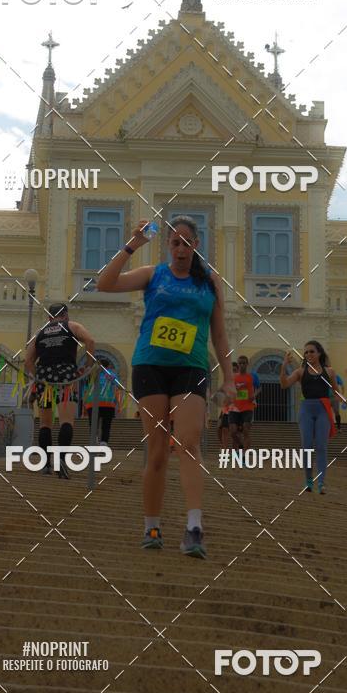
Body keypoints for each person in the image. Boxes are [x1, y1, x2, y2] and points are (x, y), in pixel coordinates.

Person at [97, 215, 235, 559]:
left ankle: (194, 527)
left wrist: (230, 377)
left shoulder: (210, 282)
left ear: (196, 245)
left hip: (191, 368)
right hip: (151, 366)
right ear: (168, 245)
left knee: (188, 443)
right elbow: (105, 284)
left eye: (186, 242)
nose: (180, 248)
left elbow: (219, 334)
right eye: (175, 242)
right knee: (157, 450)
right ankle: (152, 526)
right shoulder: (153, 274)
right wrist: (133, 244)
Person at [25, 303, 94, 477]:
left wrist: (38, 376)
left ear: (49, 317)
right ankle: (61, 461)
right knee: (66, 421)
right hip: (66, 375)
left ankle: (45, 464)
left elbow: (28, 360)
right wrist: (87, 366)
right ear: (66, 315)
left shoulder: (39, 333)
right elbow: (90, 341)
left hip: (44, 377)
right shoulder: (72, 326)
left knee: (45, 423)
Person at [280, 341, 338, 494]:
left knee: (321, 446)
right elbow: (284, 385)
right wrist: (284, 366)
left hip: (323, 409)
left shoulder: (330, 372)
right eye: (306, 352)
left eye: (312, 351)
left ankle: (321, 482)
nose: (308, 354)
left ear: (319, 353)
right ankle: (308, 481)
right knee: (306, 446)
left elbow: (336, 392)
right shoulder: (300, 372)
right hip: (306, 410)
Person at [83, 358, 120, 445]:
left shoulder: (91, 375)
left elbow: (85, 389)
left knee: (93, 424)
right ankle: (104, 442)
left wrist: (84, 403)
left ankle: (94, 439)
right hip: (108, 403)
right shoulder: (112, 374)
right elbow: (118, 386)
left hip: (92, 403)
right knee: (106, 425)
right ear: (108, 366)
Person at [228, 355, 261, 450]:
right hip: (234, 407)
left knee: (246, 431)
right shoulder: (233, 377)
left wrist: (254, 395)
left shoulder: (253, 376)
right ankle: (240, 445)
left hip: (247, 407)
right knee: (233, 432)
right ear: (238, 364)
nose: (241, 365)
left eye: (243, 363)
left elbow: (259, 388)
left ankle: (244, 454)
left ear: (247, 364)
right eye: (240, 363)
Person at [217, 361, 238, 448]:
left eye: (235, 370)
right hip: (226, 410)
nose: (233, 373)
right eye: (232, 370)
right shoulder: (227, 382)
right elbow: (221, 397)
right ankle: (224, 449)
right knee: (222, 429)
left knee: (235, 432)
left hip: (237, 410)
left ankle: (235, 452)